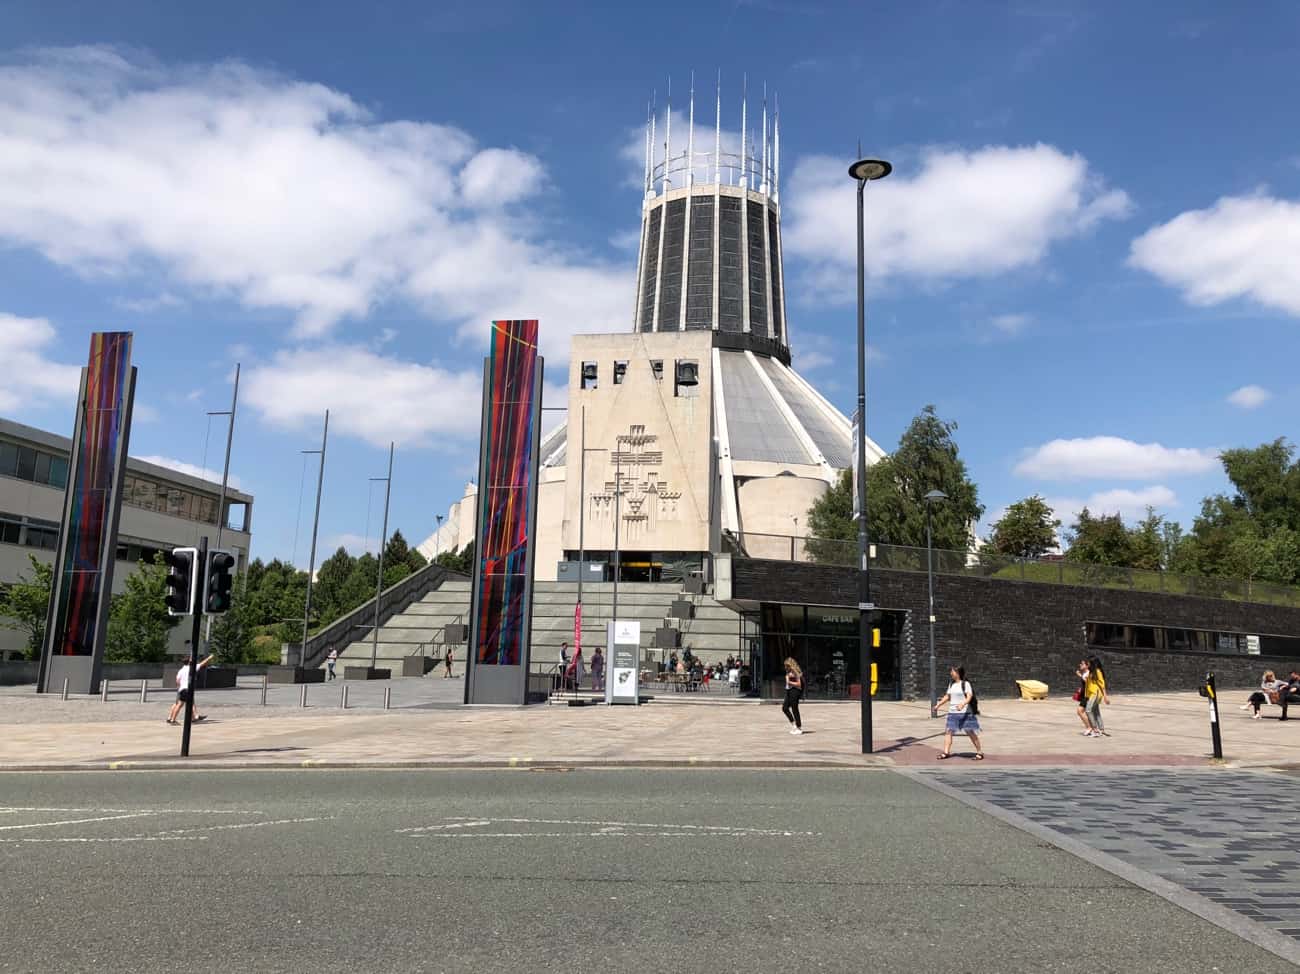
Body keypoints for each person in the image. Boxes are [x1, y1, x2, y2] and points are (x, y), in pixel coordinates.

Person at [934, 664, 984, 760]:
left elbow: (969, 696)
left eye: (952, 671)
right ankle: (946, 752)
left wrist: (963, 704)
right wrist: (938, 705)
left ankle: (979, 752)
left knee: (970, 732)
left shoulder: (966, 684)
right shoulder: (951, 684)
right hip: (952, 713)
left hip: (965, 713)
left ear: (957, 672)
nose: (951, 673)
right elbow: (947, 696)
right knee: (948, 732)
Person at [167, 654, 214, 725]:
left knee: (183, 704)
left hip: (182, 689)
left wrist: (180, 687)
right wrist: (209, 658)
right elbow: (202, 663)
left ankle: (190, 718)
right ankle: (191, 717)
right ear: (189, 662)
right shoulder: (192, 668)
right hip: (188, 689)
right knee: (185, 704)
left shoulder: (181, 670)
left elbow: (177, 680)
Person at [1084, 655, 1110, 737]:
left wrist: (1105, 696)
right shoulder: (1092, 672)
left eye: (1088, 663)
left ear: (1093, 663)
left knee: (1088, 710)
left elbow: (1102, 685)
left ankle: (1095, 730)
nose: (1087, 664)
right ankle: (1102, 730)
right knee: (1096, 712)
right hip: (1092, 694)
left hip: (1095, 694)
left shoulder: (1097, 672)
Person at [781, 657, 804, 735]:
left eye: (787, 666)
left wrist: (789, 682)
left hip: (795, 691)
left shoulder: (795, 672)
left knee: (794, 709)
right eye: (785, 666)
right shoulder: (789, 672)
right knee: (784, 708)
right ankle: (794, 725)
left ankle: (799, 728)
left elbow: (799, 684)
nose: (785, 667)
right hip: (789, 691)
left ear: (790, 665)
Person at [1074, 659, 1095, 736]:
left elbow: (1089, 683)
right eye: (1080, 663)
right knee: (1087, 712)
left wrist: (1080, 675)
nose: (1080, 665)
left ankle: (1089, 728)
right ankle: (1092, 728)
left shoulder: (1088, 673)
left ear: (1087, 666)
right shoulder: (1085, 673)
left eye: (1082, 664)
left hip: (1088, 696)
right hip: (1085, 695)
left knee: (1080, 711)